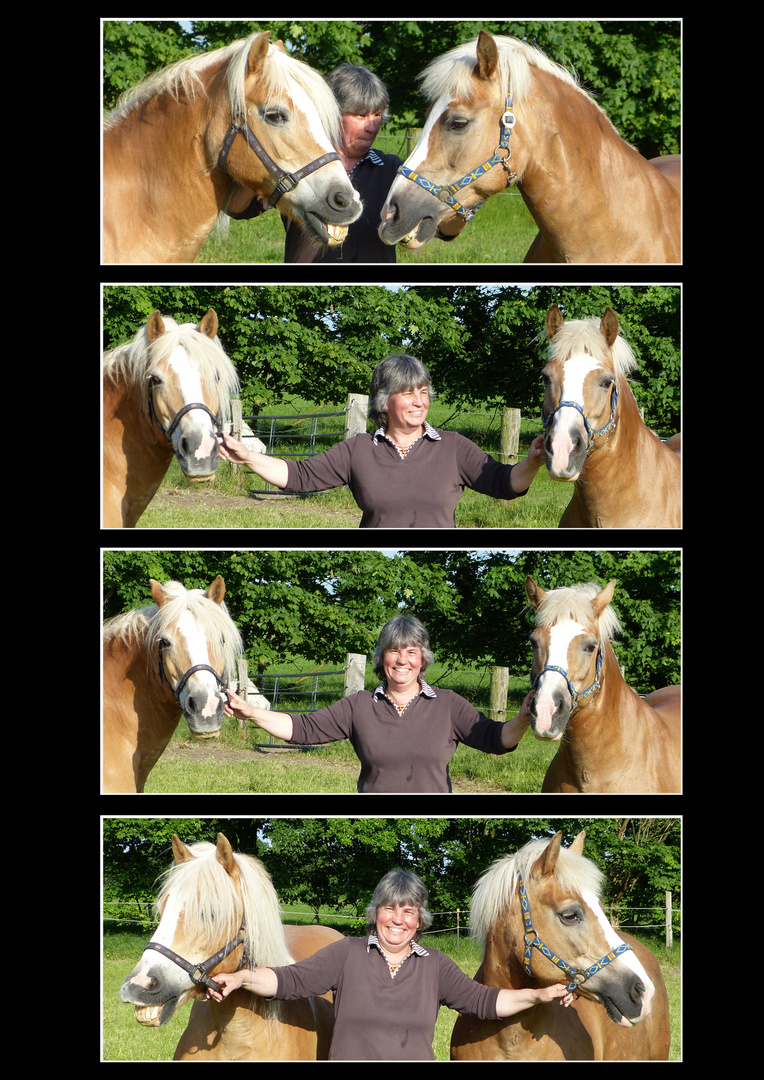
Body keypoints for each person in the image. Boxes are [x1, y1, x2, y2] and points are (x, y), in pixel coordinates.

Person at [205, 869, 573, 1061]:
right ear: (376, 913)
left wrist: (539, 995)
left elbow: (487, 1002)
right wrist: (241, 977)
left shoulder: (436, 966)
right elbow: (289, 981)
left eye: (408, 911)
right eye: (389, 909)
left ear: (420, 919)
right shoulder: (345, 953)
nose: (397, 920)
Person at [219, 353, 545, 528]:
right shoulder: (359, 450)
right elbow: (299, 477)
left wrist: (531, 462)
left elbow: (505, 483)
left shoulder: (453, 447)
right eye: (408, 393)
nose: (419, 401)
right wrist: (247, 456)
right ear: (384, 402)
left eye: (423, 392)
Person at [224, 614, 533, 793]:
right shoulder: (358, 706)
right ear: (381, 657)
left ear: (423, 659)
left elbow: (496, 739)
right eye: (394, 650)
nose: (402, 660)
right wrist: (251, 712)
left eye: (412, 651)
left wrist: (521, 720)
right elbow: (302, 729)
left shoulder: (448, 705)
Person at [226, 65, 464, 262]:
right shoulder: (299, 165)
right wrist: (266, 163)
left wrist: (465, 208)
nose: (372, 125)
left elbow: (445, 231)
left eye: (377, 114)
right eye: (360, 115)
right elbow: (236, 208)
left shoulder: (392, 169)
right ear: (332, 113)